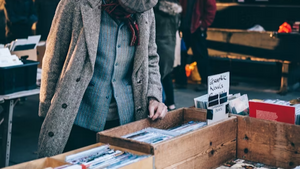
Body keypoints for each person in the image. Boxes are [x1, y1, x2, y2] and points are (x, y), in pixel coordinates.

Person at [38, 0, 167, 157]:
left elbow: (151, 58)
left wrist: (154, 97)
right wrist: (47, 111)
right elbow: (54, 57)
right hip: (78, 118)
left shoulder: (145, 10)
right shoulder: (76, 3)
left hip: (126, 121)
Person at [179, 0, 216, 91]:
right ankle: (181, 82)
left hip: (196, 29)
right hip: (187, 28)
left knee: (201, 56)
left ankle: (205, 82)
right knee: (181, 55)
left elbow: (211, 8)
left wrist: (203, 24)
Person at [154, 0, 181, 111]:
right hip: (171, 45)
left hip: (158, 45)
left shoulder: (156, 10)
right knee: (167, 74)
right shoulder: (176, 12)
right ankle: (170, 103)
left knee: (157, 75)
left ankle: (159, 102)